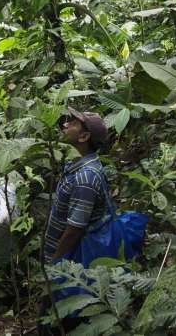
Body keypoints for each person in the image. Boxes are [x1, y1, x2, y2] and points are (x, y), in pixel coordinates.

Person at [43, 108, 111, 265]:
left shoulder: (85, 178)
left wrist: (55, 263)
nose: (65, 125)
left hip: (71, 259)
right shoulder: (75, 163)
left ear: (84, 137)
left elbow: (74, 230)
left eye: (73, 124)